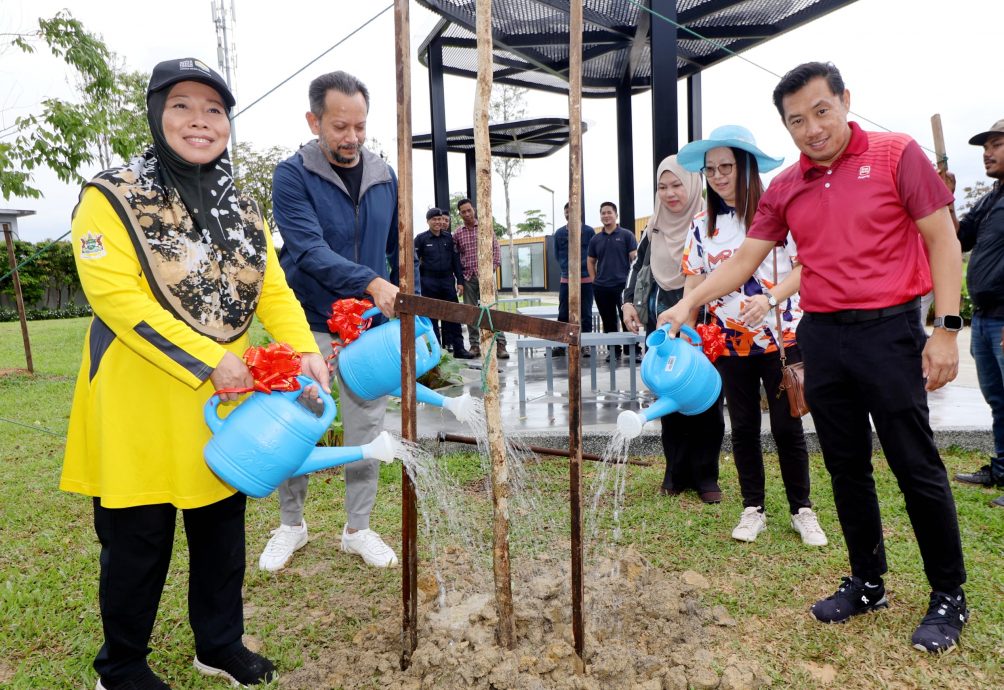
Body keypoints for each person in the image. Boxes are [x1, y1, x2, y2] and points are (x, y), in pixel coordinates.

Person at [657, 62, 967, 653]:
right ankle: (868, 581)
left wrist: (946, 328)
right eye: (796, 120)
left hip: (890, 330)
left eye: (822, 111)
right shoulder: (787, 186)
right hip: (823, 336)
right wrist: (689, 303)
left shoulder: (897, 154)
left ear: (845, 100)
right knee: (845, 465)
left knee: (914, 463)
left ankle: (948, 594)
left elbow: (942, 239)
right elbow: (744, 260)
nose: (812, 129)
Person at [60, 58, 328, 689]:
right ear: (156, 115)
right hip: (138, 400)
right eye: (181, 105)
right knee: (137, 542)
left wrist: (302, 347)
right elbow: (116, 300)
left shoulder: (241, 207)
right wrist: (211, 358)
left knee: (220, 532)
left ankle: (219, 645)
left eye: (214, 110)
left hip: (224, 404)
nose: (199, 121)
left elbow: (274, 290)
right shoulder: (111, 197)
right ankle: (121, 667)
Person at [262, 70, 402, 572]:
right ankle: (291, 525)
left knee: (367, 428)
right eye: (340, 127)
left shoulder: (386, 175)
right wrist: (371, 282)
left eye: (360, 126)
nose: (352, 138)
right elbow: (308, 250)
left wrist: (389, 294)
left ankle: (358, 529)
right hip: (310, 323)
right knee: (297, 422)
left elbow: (395, 252)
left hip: (368, 329)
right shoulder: (292, 175)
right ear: (314, 120)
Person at [676, 126, 826, 546]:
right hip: (727, 342)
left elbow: (804, 267)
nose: (718, 176)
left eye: (727, 166)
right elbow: (696, 279)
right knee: (741, 427)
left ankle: (803, 510)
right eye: (710, 169)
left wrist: (772, 298)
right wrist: (685, 320)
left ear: (747, 168)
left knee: (786, 427)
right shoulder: (701, 226)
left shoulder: (778, 215)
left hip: (782, 339)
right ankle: (752, 508)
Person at [622, 155, 725, 503]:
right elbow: (637, 270)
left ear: (693, 184)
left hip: (702, 327)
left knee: (706, 401)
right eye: (662, 187)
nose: (670, 193)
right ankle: (675, 472)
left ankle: (706, 476)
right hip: (661, 326)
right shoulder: (654, 228)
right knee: (669, 399)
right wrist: (627, 302)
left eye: (677, 184)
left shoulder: (711, 225)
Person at [947, 118, 1004, 508]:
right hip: (984, 317)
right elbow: (956, 238)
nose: (988, 152)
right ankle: (1002, 469)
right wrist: (945, 198)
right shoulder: (991, 197)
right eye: (986, 146)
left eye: (997, 144)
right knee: (998, 399)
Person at [453, 197, 509, 359]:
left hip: (486, 278)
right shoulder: (457, 233)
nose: (467, 214)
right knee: (470, 313)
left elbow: (496, 250)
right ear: (460, 214)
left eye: (469, 210)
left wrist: (490, 269)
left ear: (474, 210)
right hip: (468, 278)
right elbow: (455, 257)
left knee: (493, 311)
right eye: (463, 212)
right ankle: (475, 345)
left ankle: (500, 344)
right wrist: (460, 280)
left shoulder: (485, 227)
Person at [415, 207, 473, 358]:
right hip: (428, 281)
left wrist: (459, 281)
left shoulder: (449, 238)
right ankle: (437, 352)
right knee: (432, 318)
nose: (438, 222)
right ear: (428, 221)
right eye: (434, 219)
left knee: (454, 315)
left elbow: (456, 262)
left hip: (447, 281)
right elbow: (414, 262)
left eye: (440, 219)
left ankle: (459, 349)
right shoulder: (421, 239)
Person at [587, 201, 638, 360]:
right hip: (602, 287)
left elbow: (635, 259)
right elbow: (590, 261)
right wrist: (594, 280)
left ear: (616, 215)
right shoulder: (596, 239)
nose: (606, 215)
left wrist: (633, 282)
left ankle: (633, 349)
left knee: (627, 319)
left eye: (609, 212)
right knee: (608, 321)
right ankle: (613, 350)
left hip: (623, 286)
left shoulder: (626, 235)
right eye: (603, 213)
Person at [553, 202, 595, 356]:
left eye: (571, 211)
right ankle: (561, 345)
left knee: (586, 313)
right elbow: (557, 255)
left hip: (585, 279)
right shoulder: (559, 233)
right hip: (566, 279)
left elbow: (593, 255)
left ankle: (586, 344)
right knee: (563, 313)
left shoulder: (589, 231)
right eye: (566, 211)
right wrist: (567, 268)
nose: (568, 214)